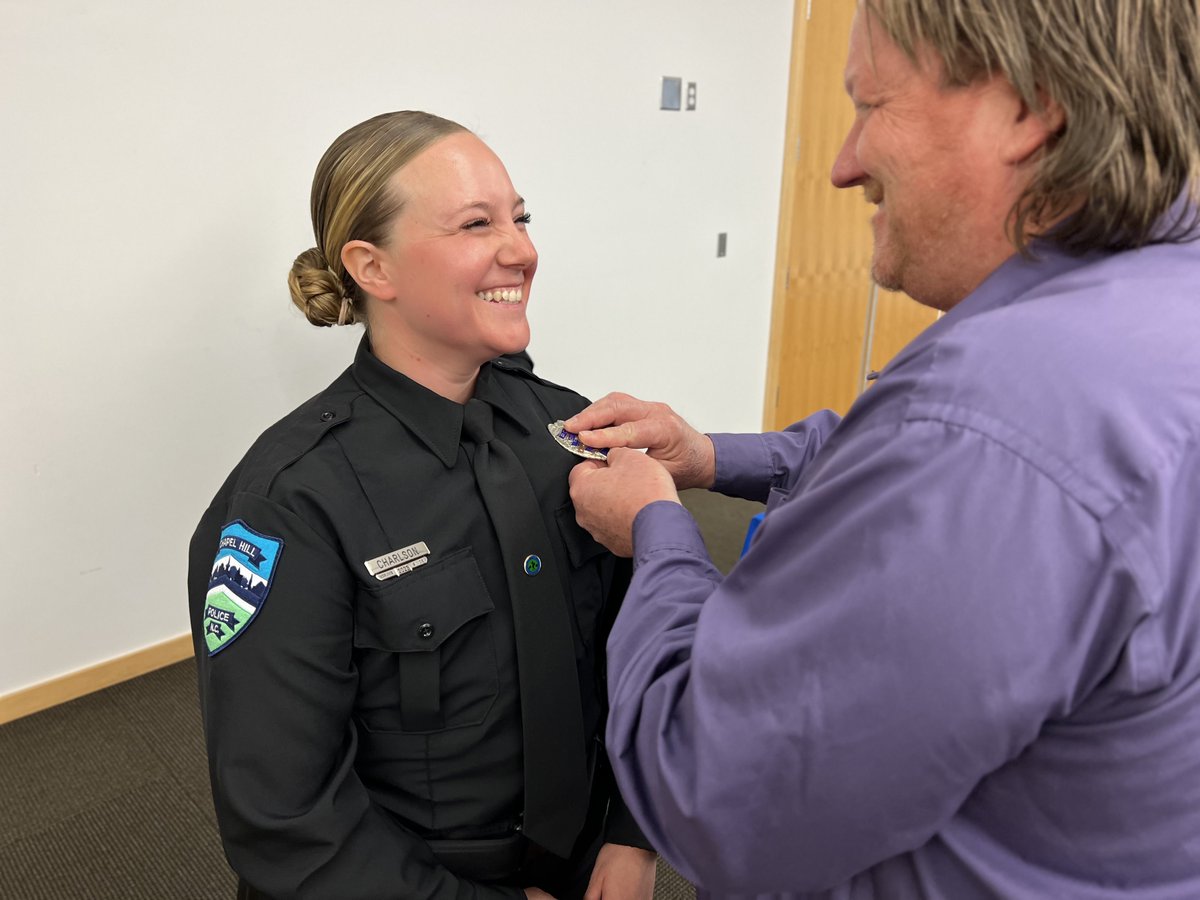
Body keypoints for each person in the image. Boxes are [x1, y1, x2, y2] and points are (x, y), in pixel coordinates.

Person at [565, 1, 1200, 897]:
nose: (842, 164)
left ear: (1030, 107)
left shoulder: (988, 419)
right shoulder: (1154, 310)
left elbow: (715, 792)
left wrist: (662, 532)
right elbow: (892, 460)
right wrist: (709, 457)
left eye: (872, 107)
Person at [187, 111, 656, 900]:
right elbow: (287, 819)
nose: (523, 250)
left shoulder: (566, 430)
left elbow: (639, 649)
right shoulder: (288, 503)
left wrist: (633, 832)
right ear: (373, 267)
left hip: (586, 864)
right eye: (477, 223)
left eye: (521, 217)